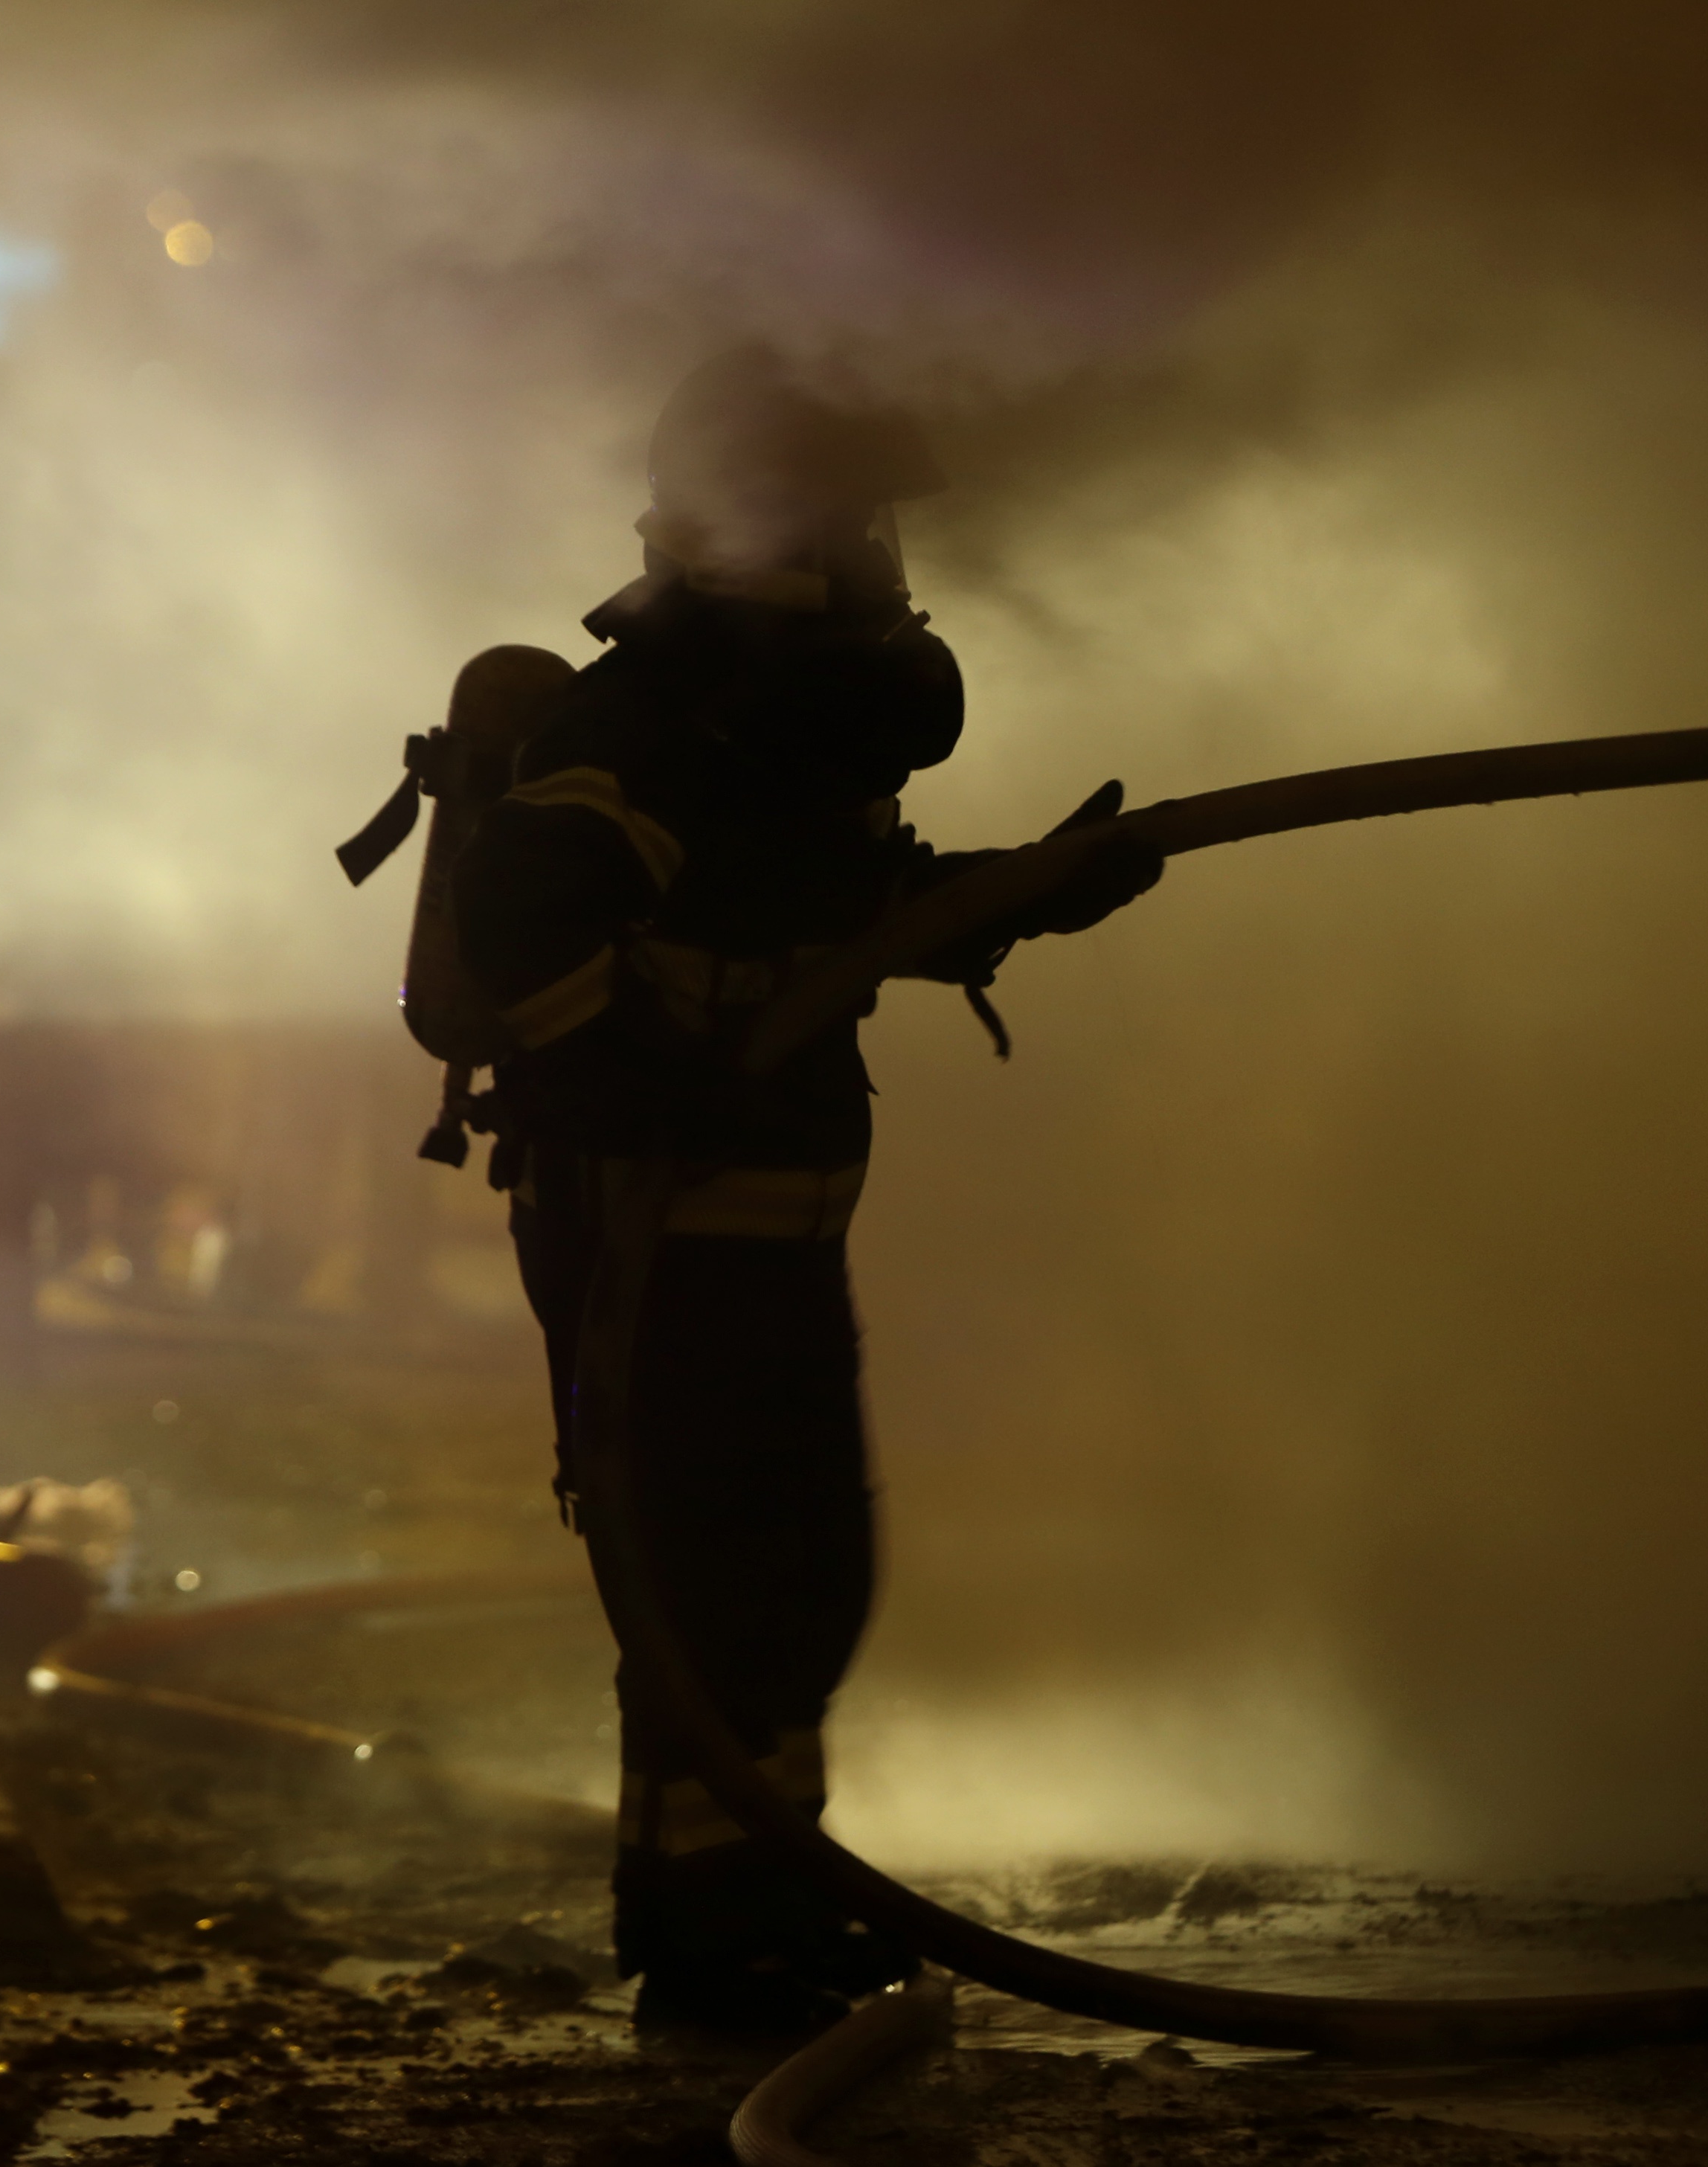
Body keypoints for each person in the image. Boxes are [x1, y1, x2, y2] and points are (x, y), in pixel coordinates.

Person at [452, 348, 1159, 2032]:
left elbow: (844, 911)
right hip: (653, 1228)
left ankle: (764, 1884)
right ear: (759, 531)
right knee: (710, 1587)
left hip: (759, 1229)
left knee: (798, 1577)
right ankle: (702, 1928)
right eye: (849, 521)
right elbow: (518, 927)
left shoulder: (773, 729)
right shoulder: (645, 728)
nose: (877, 557)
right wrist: (649, 1090)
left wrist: (1027, 893)